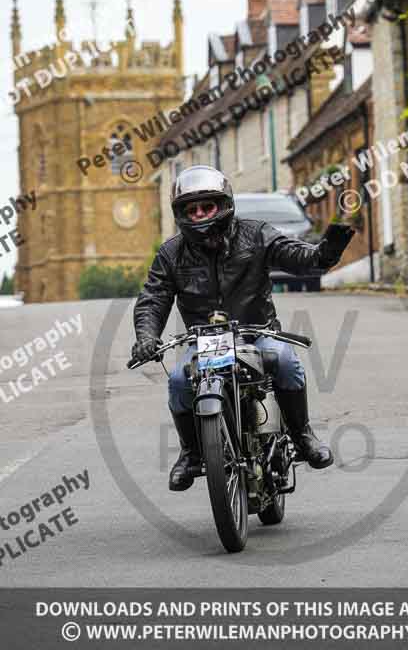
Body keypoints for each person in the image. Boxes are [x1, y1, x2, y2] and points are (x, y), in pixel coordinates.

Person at [131, 165, 354, 491]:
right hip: (205, 340)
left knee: (285, 361)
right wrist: (146, 337)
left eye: (207, 206)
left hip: (257, 331)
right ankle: (191, 453)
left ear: (224, 205)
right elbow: (153, 299)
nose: (200, 215)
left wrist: (324, 253)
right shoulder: (170, 254)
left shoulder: (257, 234)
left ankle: (302, 435)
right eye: (191, 210)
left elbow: (296, 255)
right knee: (179, 381)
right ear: (181, 214)